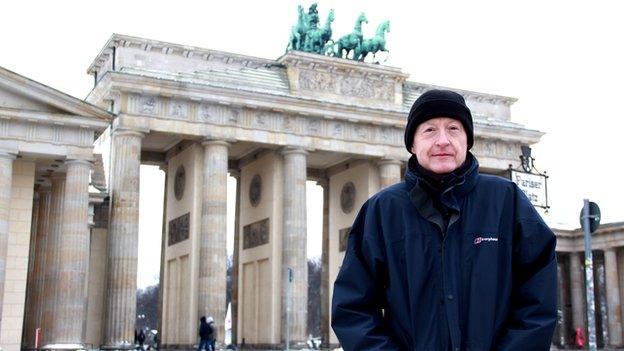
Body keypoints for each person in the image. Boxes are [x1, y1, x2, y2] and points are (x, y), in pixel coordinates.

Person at [331, 89, 557, 350]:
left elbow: (539, 302)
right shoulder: (382, 210)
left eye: (453, 128)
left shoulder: (508, 201)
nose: (443, 140)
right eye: (429, 130)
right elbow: (353, 307)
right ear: (412, 144)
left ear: (468, 141)